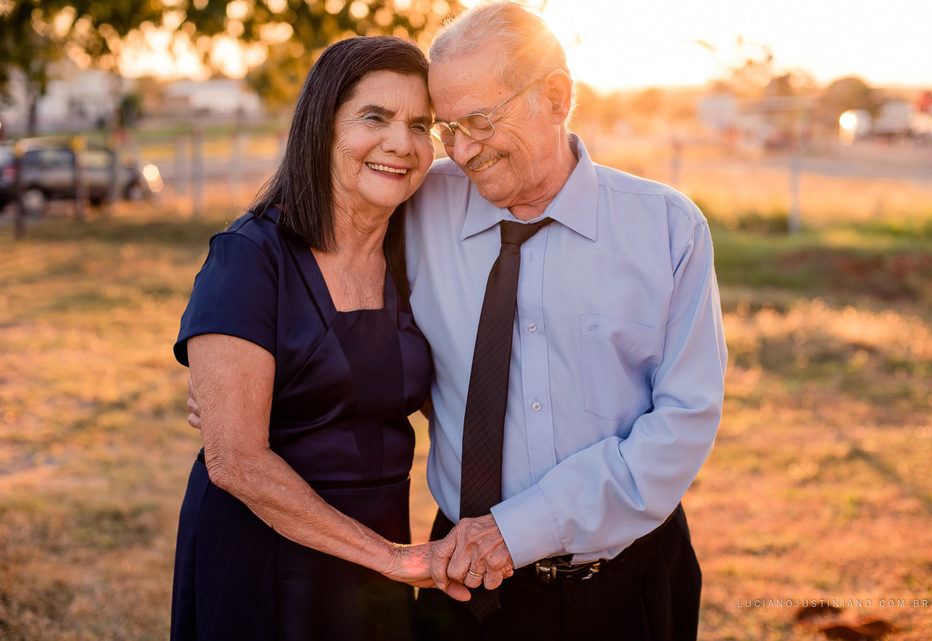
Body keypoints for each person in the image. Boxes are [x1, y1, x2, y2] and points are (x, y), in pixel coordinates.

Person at [405, 2, 728, 639]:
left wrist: (520, 529)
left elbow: (687, 416)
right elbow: (311, 241)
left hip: (629, 582)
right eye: (449, 129)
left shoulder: (667, 227)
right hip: (467, 580)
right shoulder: (415, 209)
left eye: (480, 121)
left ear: (556, 98)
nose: (463, 151)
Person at [169, 36, 469, 641]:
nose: (400, 143)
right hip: (266, 552)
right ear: (320, 126)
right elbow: (235, 461)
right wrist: (393, 558)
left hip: (378, 551)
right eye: (374, 117)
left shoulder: (414, 254)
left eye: (420, 125)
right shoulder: (249, 259)